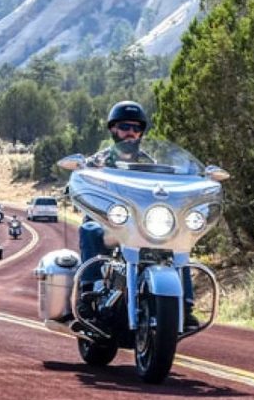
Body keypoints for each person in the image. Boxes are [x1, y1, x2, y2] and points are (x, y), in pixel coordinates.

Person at [78, 101, 199, 330]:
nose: (130, 133)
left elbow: (164, 188)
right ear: (113, 130)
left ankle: (185, 305)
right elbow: (82, 181)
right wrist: (78, 178)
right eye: (124, 127)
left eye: (136, 128)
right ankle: (89, 291)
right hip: (109, 221)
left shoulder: (149, 163)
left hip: (142, 224)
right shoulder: (98, 161)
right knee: (89, 229)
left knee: (178, 241)